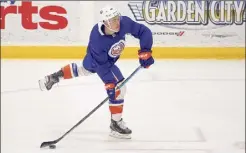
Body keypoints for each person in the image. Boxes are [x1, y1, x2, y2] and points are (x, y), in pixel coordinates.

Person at [39, 5, 154, 139]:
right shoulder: (98, 38)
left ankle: (54, 77)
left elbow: (144, 31)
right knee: (119, 89)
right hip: (98, 61)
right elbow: (102, 66)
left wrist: (145, 52)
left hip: (104, 61)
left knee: (84, 70)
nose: (117, 23)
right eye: (112, 21)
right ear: (105, 23)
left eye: (117, 19)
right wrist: (110, 84)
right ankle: (115, 124)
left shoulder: (124, 23)